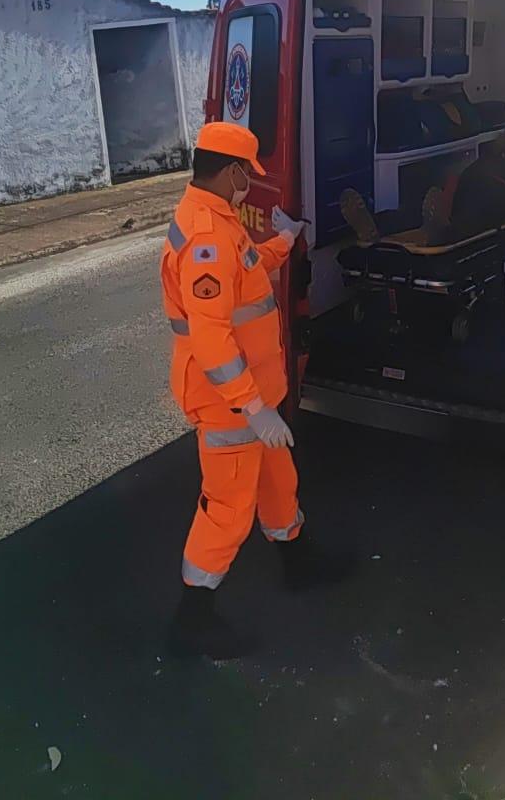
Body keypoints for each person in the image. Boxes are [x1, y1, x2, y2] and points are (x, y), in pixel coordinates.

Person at [161, 121, 348, 659]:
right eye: (248, 174)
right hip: (228, 401)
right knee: (227, 508)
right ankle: (191, 620)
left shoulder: (219, 219)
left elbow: (249, 275)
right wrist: (253, 408)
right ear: (234, 171)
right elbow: (212, 338)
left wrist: (283, 241)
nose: (250, 184)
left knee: (278, 480)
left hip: (254, 397)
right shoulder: (206, 237)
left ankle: (299, 562)